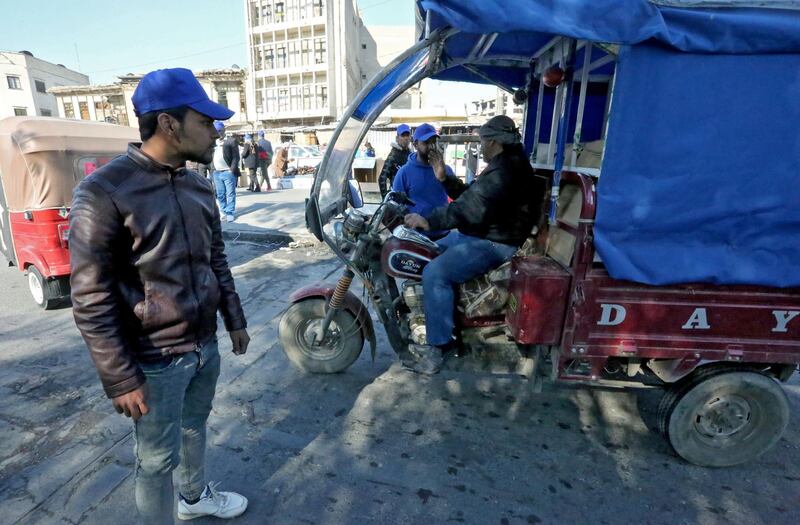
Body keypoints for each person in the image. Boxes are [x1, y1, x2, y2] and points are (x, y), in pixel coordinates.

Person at [69, 67, 250, 524]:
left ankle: (194, 499)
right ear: (169, 123)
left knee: (195, 427)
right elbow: (90, 296)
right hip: (154, 359)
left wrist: (235, 319)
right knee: (154, 462)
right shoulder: (103, 192)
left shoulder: (198, 185)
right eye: (206, 122)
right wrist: (120, 378)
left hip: (204, 345)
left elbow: (217, 260)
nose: (215, 131)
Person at [404, 115, 547, 374]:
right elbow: (473, 195)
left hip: (495, 242)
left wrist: (428, 220)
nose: (480, 146)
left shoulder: (506, 171)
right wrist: (443, 178)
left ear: (493, 142)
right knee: (426, 249)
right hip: (482, 232)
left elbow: (469, 208)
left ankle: (439, 347)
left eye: (482, 140)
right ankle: (436, 315)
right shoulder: (503, 163)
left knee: (434, 273)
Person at [392, 123, 454, 238]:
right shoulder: (404, 173)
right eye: (426, 142)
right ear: (415, 144)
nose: (431, 146)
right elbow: (396, 206)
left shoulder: (446, 170)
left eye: (433, 141)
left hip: (444, 234)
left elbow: (457, 199)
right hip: (417, 237)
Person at [212, 125, 241, 222]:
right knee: (220, 194)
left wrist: (231, 170)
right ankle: (223, 211)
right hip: (216, 172)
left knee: (230, 193)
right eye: (216, 131)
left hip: (227, 172)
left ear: (224, 131)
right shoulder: (212, 142)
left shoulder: (231, 141)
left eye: (220, 131)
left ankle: (230, 212)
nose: (218, 133)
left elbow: (236, 157)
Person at [378, 123, 412, 198]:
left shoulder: (411, 155)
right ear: (397, 138)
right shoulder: (393, 156)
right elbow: (382, 179)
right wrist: (385, 198)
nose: (406, 138)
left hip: (410, 197)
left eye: (408, 135)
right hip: (397, 198)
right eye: (403, 135)